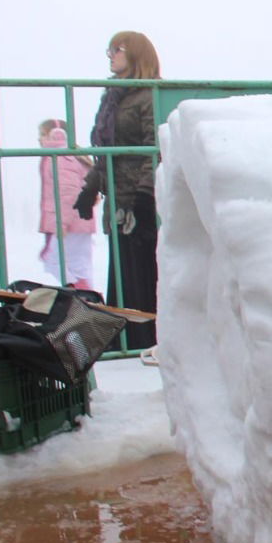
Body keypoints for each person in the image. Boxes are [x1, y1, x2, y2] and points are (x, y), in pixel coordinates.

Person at [74, 31, 160, 350]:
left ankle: (146, 340)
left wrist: (142, 197)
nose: (111, 55)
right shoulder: (113, 96)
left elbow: (156, 148)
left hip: (141, 201)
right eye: (108, 49)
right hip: (118, 200)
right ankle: (126, 340)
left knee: (143, 275)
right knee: (123, 275)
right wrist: (89, 189)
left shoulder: (149, 94)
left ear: (136, 53)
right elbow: (105, 152)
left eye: (117, 49)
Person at [37, 119, 95, 290]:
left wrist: (61, 223)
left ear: (52, 135)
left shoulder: (60, 158)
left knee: (55, 261)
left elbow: (68, 193)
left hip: (69, 223)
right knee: (78, 267)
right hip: (77, 222)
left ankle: (85, 300)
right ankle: (86, 302)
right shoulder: (68, 155)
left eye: (41, 135)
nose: (38, 140)